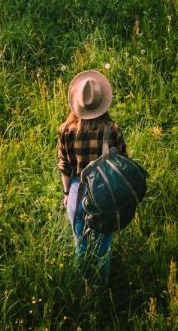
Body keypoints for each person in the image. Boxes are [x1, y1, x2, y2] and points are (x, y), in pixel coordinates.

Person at [57, 70, 127, 284]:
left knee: (81, 246)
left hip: (78, 191)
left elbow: (65, 167)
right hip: (104, 193)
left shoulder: (66, 130)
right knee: (103, 247)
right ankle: (101, 291)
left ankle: (81, 290)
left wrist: (67, 194)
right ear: (101, 102)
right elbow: (123, 162)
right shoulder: (111, 130)